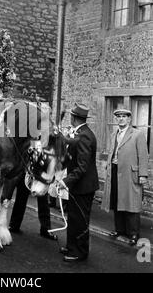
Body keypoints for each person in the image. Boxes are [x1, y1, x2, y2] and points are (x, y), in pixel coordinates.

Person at [57, 103, 99, 263]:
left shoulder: (85, 136)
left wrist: (65, 182)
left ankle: (79, 252)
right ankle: (71, 246)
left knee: (80, 220)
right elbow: (72, 151)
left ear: (74, 118)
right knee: (73, 217)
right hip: (78, 185)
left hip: (84, 186)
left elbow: (82, 167)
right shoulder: (82, 133)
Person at [101, 109, 148, 246]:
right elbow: (113, 152)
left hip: (130, 173)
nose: (121, 119)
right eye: (119, 117)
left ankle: (133, 233)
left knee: (131, 203)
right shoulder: (113, 134)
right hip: (115, 171)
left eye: (124, 117)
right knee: (116, 200)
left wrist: (143, 175)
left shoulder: (137, 134)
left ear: (129, 119)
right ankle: (119, 230)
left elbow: (143, 156)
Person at [9, 174, 58, 241]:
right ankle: (14, 224)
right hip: (27, 170)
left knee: (43, 200)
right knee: (21, 195)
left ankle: (46, 229)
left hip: (41, 170)